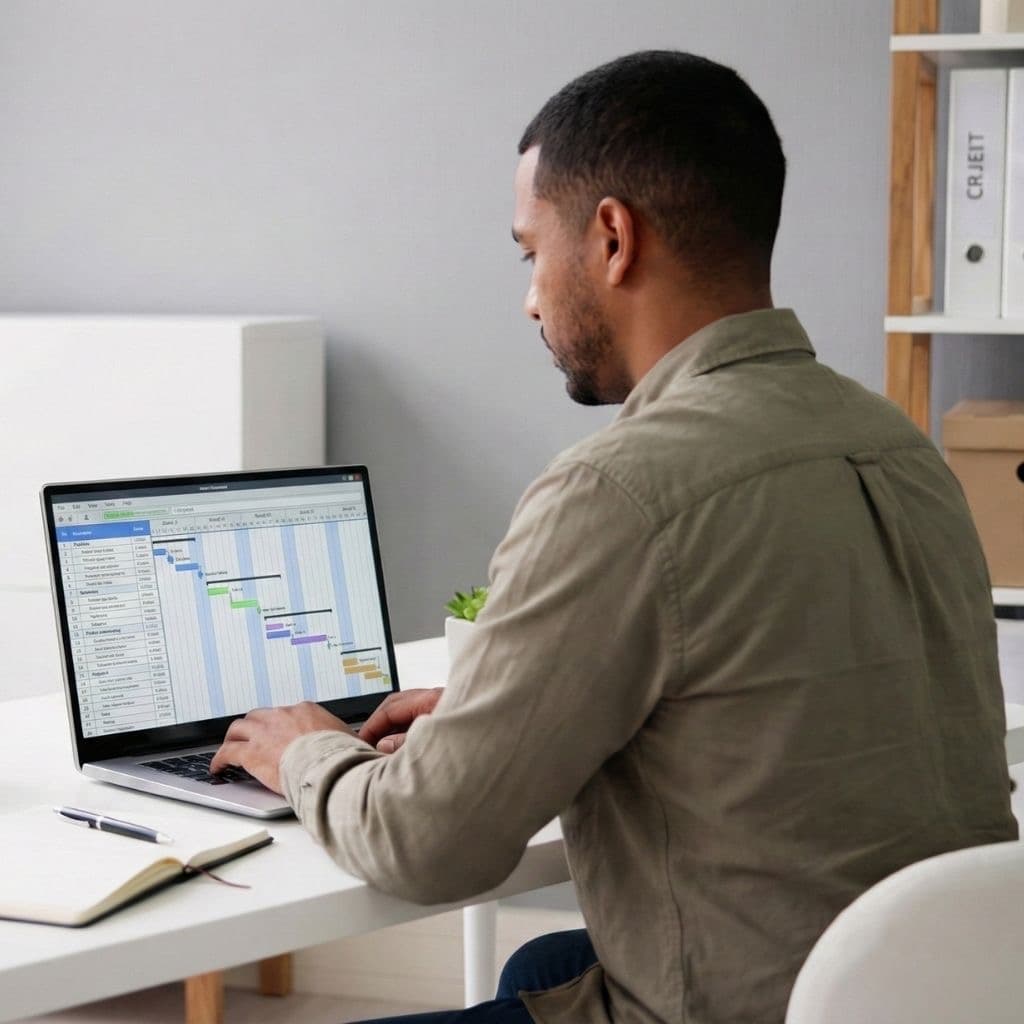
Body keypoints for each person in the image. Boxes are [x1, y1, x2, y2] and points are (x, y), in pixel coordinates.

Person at [212, 50, 1018, 1023]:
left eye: (528, 253)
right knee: (541, 964)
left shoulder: (619, 490)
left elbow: (428, 845)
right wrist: (502, 714)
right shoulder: (896, 443)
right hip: (938, 986)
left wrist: (304, 749)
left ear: (610, 238)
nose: (529, 298)